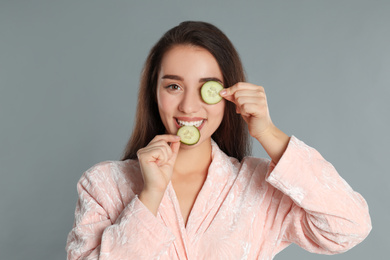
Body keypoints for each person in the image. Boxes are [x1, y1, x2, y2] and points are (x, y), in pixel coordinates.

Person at [66, 21, 371, 259]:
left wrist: (268, 132)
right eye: (173, 87)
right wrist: (150, 196)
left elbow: (349, 227)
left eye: (206, 88)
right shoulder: (104, 184)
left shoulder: (260, 187)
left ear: (228, 96)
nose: (188, 106)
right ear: (154, 94)